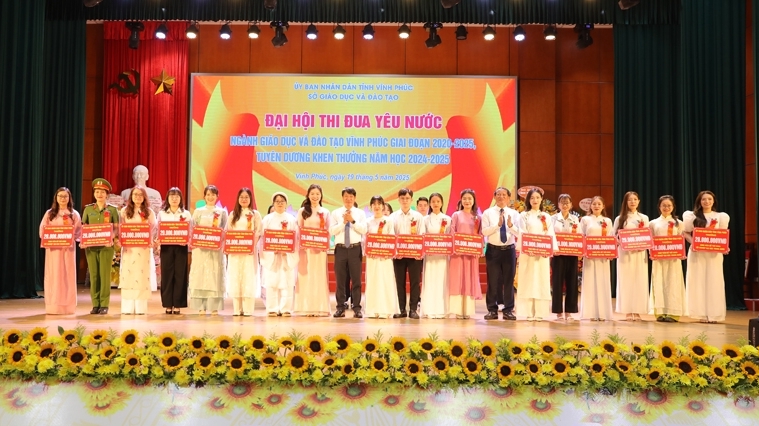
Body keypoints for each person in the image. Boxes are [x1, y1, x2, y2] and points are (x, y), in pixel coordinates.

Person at [683, 191, 730, 323]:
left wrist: (724, 246)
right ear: (699, 201)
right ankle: (700, 313)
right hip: (697, 253)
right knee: (698, 281)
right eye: (704, 199)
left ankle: (714, 314)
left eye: (709, 199)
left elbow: (722, 235)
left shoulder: (720, 216)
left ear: (713, 201)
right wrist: (693, 242)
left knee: (714, 282)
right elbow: (685, 232)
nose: (707, 201)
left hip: (714, 254)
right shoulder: (692, 216)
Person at [515, 189, 556, 321]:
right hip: (528, 253)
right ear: (528, 200)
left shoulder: (546, 216)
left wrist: (548, 249)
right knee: (527, 280)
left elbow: (550, 233)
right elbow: (522, 232)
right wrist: (528, 247)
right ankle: (528, 312)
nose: (535, 200)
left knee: (541, 280)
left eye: (537, 197)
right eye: (532, 198)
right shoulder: (524, 215)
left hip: (542, 254)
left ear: (541, 199)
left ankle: (540, 312)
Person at [39, 187, 82, 314]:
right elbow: (42, 231)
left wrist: (69, 237)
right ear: (56, 198)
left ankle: (68, 306)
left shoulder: (74, 214)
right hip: (53, 251)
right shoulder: (49, 213)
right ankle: (53, 306)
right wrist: (52, 238)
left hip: (68, 250)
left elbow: (78, 232)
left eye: (65, 196)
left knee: (67, 275)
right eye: (60, 196)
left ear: (69, 198)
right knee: (54, 275)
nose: (63, 199)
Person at [81, 178, 120, 315]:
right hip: (91, 247)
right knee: (94, 275)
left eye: (102, 192)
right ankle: (95, 304)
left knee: (104, 275)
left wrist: (111, 237)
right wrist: (83, 241)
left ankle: (104, 304)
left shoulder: (113, 210)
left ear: (107, 194)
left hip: (106, 247)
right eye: (97, 192)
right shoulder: (88, 209)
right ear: (94, 194)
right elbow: (84, 227)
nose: (99, 194)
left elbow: (116, 229)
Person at [188, 185, 227, 315]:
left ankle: (214, 307)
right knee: (200, 275)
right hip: (200, 250)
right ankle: (201, 306)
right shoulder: (198, 211)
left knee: (214, 275)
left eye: (213, 195)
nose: (210, 197)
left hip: (215, 250)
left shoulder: (222, 212)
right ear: (204, 196)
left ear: (217, 196)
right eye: (208, 194)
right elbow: (192, 229)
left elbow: (224, 230)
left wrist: (218, 240)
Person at [481, 187, 519, 321]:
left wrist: (511, 226)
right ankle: (492, 310)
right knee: (493, 281)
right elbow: (484, 232)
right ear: (494, 196)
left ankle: (508, 310)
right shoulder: (487, 213)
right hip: (493, 250)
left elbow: (519, 233)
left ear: (508, 197)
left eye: (504, 195)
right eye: (498, 194)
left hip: (509, 250)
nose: (501, 197)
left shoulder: (514, 214)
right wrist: (497, 225)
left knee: (509, 281)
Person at [118, 186, 157, 315]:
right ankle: (127, 308)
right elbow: (120, 228)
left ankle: (141, 308)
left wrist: (151, 240)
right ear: (131, 196)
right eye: (135, 194)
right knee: (128, 274)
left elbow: (154, 229)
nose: (138, 197)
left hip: (143, 249)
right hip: (128, 249)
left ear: (144, 197)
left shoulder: (149, 212)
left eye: (140, 195)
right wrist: (120, 240)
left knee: (141, 275)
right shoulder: (124, 211)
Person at [294, 184, 332, 317]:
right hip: (305, 250)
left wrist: (324, 243)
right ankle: (304, 308)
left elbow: (328, 231)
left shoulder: (325, 212)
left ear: (321, 196)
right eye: (312, 194)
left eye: (317, 194)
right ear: (308, 195)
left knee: (319, 276)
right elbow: (298, 229)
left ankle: (320, 308)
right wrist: (301, 243)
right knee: (305, 277)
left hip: (320, 251)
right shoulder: (302, 211)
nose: (315, 196)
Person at [648, 195, 687, 322]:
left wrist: (681, 253)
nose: (666, 208)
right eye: (664, 205)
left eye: (669, 205)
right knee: (659, 282)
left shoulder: (679, 223)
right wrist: (651, 253)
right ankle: (660, 312)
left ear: (673, 207)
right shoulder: (653, 223)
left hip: (673, 259)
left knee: (673, 283)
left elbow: (681, 240)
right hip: (658, 259)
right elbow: (650, 240)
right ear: (659, 207)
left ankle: (673, 313)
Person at [329, 187, 367, 318]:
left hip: (355, 248)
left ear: (355, 198)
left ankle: (357, 308)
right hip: (340, 249)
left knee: (356, 280)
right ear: (342, 198)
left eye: (351, 197)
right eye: (346, 196)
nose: (348, 199)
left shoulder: (360, 213)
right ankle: (340, 307)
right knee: (340, 280)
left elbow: (364, 230)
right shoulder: (335, 213)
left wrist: (353, 221)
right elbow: (332, 231)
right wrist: (343, 222)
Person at [613, 191, 650, 321]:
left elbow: (647, 235)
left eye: (635, 199)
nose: (632, 202)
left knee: (639, 281)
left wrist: (643, 245)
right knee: (626, 281)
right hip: (625, 254)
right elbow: (614, 237)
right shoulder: (620, 218)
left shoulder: (644, 218)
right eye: (630, 200)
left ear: (639, 201)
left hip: (640, 253)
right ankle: (628, 311)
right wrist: (621, 243)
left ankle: (638, 311)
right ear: (625, 202)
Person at [389, 188, 426, 319]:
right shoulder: (392, 217)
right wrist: (395, 251)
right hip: (398, 255)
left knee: (415, 282)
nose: (405, 201)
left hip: (414, 255)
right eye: (402, 198)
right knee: (400, 283)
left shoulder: (418, 216)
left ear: (411, 200)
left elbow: (422, 235)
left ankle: (413, 310)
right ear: (398, 200)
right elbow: (391, 236)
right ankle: (401, 309)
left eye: (407, 198)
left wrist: (419, 251)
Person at [261, 192, 298, 316]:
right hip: (272, 256)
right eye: (277, 201)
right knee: (272, 283)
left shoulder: (292, 219)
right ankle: (272, 308)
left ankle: (285, 309)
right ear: (273, 203)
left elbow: (296, 238)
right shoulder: (267, 219)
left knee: (287, 283)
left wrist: (286, 250)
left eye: (282, 201)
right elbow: (263, 238)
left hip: (286, 256)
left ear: (286, 203)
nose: (280, 203)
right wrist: (272, 250)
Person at [226, 187, 262, 317]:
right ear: (238, 199)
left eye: (246, 197)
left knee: (248, 277)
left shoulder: (255, 214)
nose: (244, 199)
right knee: (236, 276)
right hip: (235, 252)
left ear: (251, 199)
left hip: (249, 253)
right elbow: (229, 231)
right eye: (241, 197)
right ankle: (237, 308)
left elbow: (258, 231)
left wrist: (250, 245)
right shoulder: (233, 214)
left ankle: (247, 309)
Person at [449, 188, 483, 319]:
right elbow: (452, 232)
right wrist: (456, 246)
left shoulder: (478, 218)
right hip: (457, 254)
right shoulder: (456, 215)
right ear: (461, 200)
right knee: (457, 279)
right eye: (464, 199)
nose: (467, 201)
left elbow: (480, 235)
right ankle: (458, 310)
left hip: (471, 255)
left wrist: (478, 249)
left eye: (469, 198)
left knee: (469, 279)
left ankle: (467, 310)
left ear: (474, 201)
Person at [157, 187, 191, 315]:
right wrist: (158, 242)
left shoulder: (186, 214)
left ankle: (177, 304)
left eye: (177, 196)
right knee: (167, 275)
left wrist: (186, 240)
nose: (174, 199)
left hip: (181, 247)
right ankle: (167, 304)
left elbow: (191, 230)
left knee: (180, 275)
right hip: (166, 247)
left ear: (181, 199)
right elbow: (157, 230)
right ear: (167, 198)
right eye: (172, 196)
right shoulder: (162, 214)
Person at [364, 195, 400, 318]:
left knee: (385, 281)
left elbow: (392, 237)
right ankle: (372, 310)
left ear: (383, 206)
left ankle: (386, 310)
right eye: (374, 204)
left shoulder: (388, 221)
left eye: (379, 204)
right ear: (370, 207)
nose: (377, 206)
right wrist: (368, 250)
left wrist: (387, 252)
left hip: (385, 257)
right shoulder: (368, 221)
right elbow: (365, 239)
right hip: (372, 257)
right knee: (373, 281)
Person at [579, 196, 614, 321]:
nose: (596, 206)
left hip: (603, 256)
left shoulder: (607, 221)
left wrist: (610, 252)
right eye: (594, 204)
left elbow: (610, 237)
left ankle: (602, 313)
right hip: (589, 256)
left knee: (602, 281)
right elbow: (581, 236)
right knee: (590, 282)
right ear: (590, 206)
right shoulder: (585, 220)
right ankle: (590, 313)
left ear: (603, 206)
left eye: (599, 204)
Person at [550, 194, 581, 321]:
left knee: (572, 282)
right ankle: (558, 312)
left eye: (567, 202)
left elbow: (579, 235)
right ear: (558, 204)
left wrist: (579, 251)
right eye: (562, 202)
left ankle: (569, 311)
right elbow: (550, 234)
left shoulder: (575, 219)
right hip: (558, 254)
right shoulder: (553, 218)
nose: (565, 205)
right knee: (557, 282)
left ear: (571, 205)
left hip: (572, 254)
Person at [421, 193, 451, 318]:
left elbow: (450, 237)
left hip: (443, 257)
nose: (435, 204)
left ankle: (442, 310)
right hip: (430, 256)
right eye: (433, 201)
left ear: (442, 203)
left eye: (438, 201)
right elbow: (422, 236)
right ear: (430, 204)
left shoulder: (448, 219)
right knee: (430, 280)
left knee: (442, 281)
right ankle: (429, 310)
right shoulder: (425, 219)